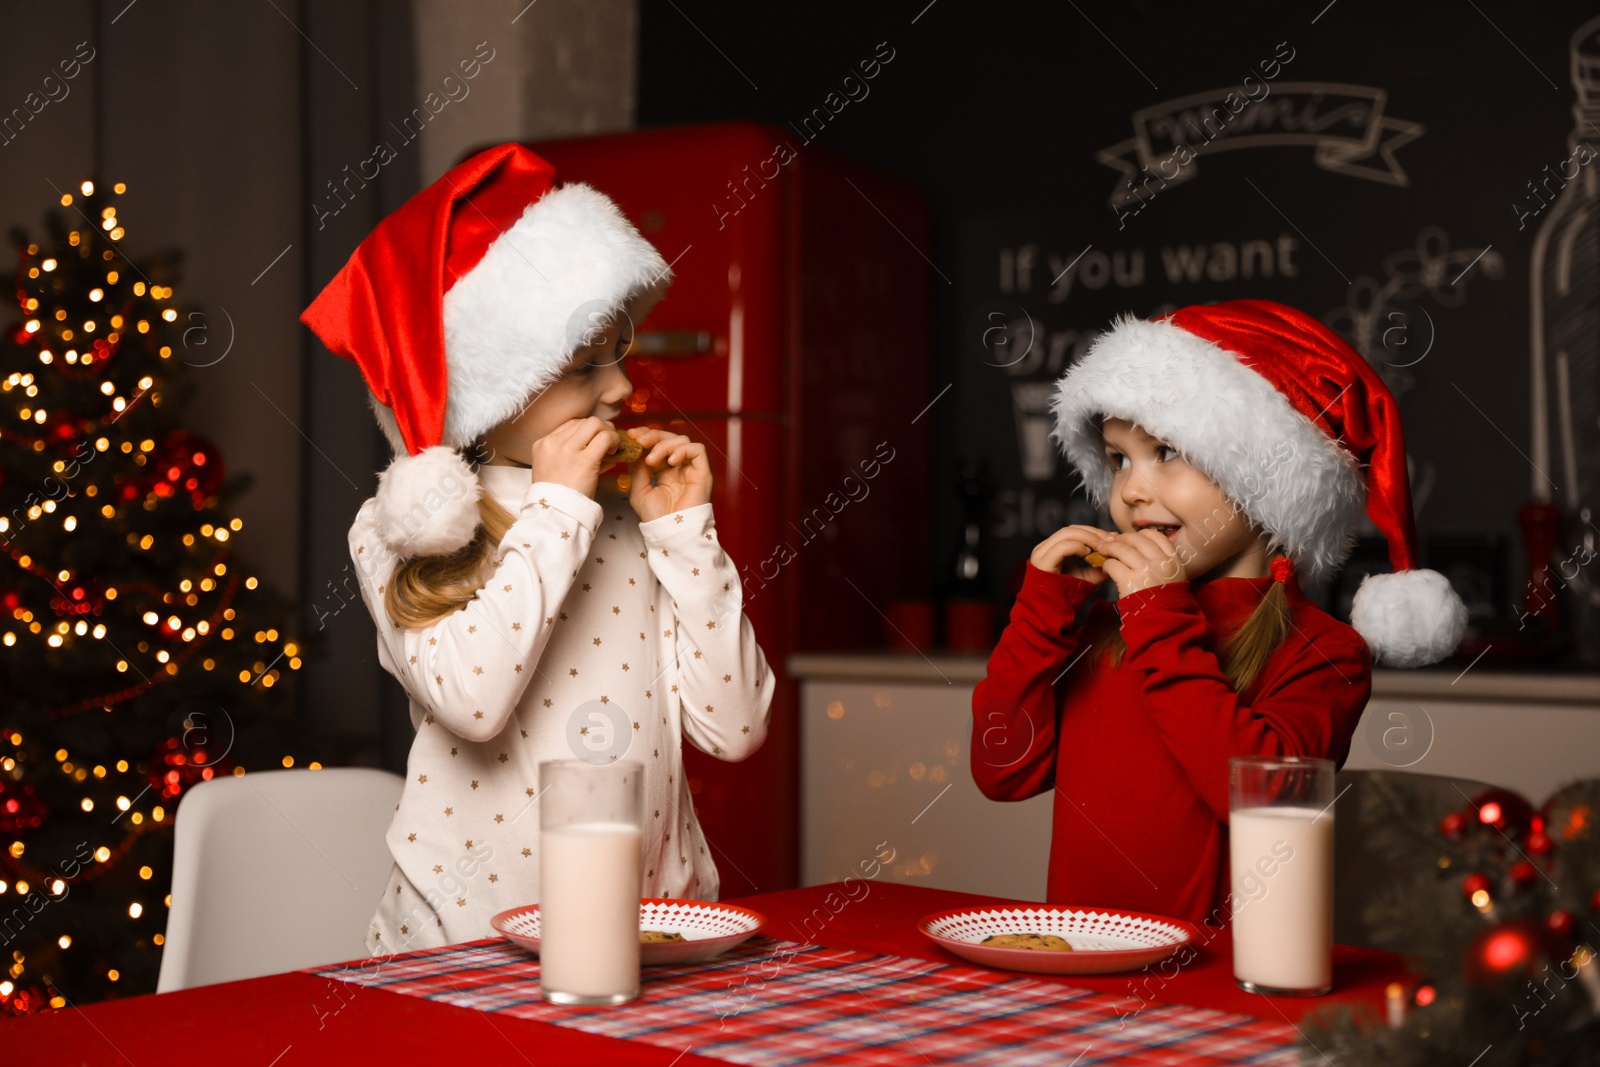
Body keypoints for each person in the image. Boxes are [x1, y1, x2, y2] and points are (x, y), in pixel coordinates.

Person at [301, 143, 775, 952]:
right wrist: (557, 508)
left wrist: (684, 534)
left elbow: (734, 730)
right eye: (586, 366)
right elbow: (474, 702)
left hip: (646, 928)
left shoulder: (625, 517)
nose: (623, 389)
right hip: (464, 946)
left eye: (619, 351)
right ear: (493, 391)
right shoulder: (400, 527)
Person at [971, 298, 1467, 927]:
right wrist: (1040, 614)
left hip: (1217, 986)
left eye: (1167, 452)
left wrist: (1158, 619)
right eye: (1120, 458)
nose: (1131, 490)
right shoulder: (1107, 627)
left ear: (1263, 478)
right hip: (1083, 967)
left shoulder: (1325, 654)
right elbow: (1000, 772)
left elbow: (1260, 805)